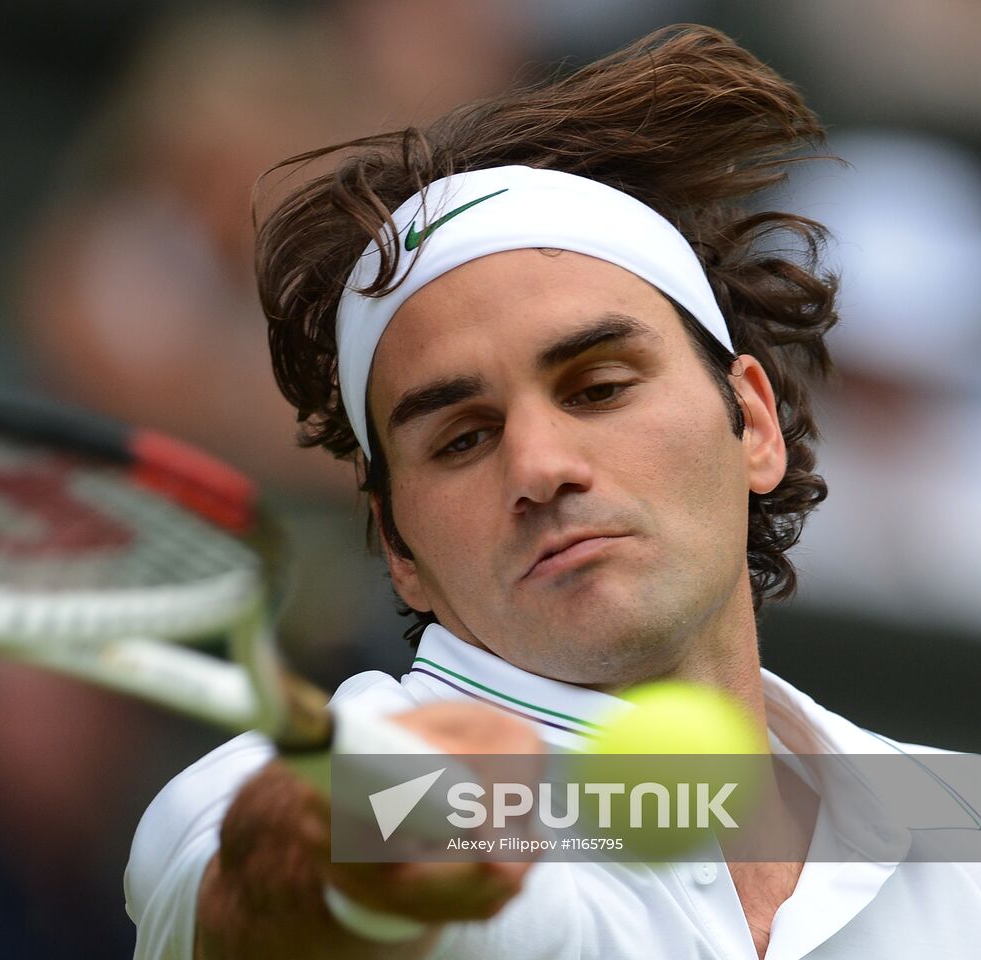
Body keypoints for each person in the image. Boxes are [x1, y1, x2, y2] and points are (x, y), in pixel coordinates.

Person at [125, 25, 981, 960]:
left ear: (756, 424)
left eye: (600, 389)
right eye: (462, 439)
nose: (539, 466)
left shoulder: (953, 823)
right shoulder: (267, 796)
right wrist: (332, 868)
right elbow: (256, 886)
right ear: (399, 549)